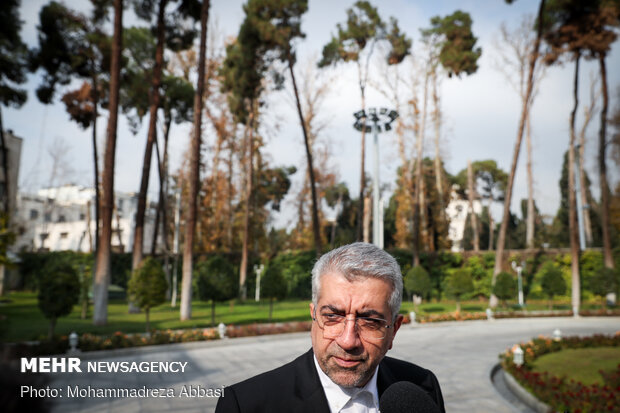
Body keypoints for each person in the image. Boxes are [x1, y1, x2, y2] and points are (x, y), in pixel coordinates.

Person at [215, 242, 444, 412]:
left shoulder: (422, 387)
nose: (348, 340)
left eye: (370, 321)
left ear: (393, 330)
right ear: (313, 316)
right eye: (333, 316)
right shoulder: (245, 405)